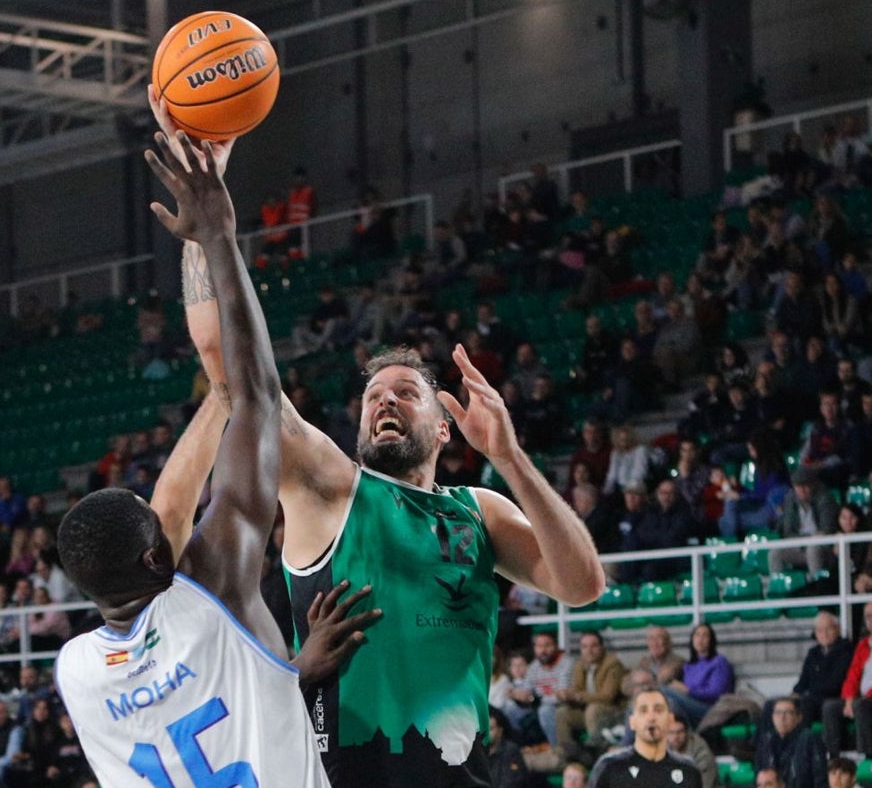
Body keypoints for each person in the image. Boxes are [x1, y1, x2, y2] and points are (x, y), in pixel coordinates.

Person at [163, 111, 605, 785]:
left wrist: (511, 459)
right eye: (373, 396)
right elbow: (226, 359)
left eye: (405, 393)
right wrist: (206, 226)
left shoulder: (477, 510)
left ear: (445, 426)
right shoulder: (329, 484)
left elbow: (582, 586)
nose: (384, 402)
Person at [53, 130, 375, 787]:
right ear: (157, 557)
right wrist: (217, 235)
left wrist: (288, 674)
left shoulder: (76, 671)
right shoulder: (210, 591)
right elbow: (254, 390)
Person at [588, 688, 702, 788]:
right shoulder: (609, 767)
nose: (651, 717)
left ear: (670, 720)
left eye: (658, 710)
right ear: (632, 722)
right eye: (643, 711)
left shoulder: (688, 771)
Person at [555, 631, 627, 759]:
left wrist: (578, 696)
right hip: (587, 711)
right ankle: (567, 752)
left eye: (593, 646)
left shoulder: (613, 664)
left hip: (613, 711)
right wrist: (566, 695)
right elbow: (576, 690)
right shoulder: (580, 665)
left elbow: (608, 696)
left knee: (593, 709)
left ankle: (595, 752)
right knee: (562, 712)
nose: (589, 650)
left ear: (601, 647)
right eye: (585, 647)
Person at [824, 602, 872, 757]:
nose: (871, 620)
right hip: (862, 698)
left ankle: (865, 756)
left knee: (861, 706)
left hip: (867, 699)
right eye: (868, 617)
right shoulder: (864, 645)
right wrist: (849, 699)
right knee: (830, 707)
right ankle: (834, 757)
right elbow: (853, 675)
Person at [663, 624, 734, 727]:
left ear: (711, 640)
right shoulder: (689, 666)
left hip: (710, 710)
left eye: (705, 635)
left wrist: (688, 690)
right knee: (669, 703)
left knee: (663, 691)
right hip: (689, 705)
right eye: (697, 635)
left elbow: (716, 693)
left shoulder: (719, 662)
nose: (700, 639)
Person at [754, 697, 827, 788]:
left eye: (788, 713)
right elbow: (758, 777)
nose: (782, 717)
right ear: (772, 717)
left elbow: (820, 779)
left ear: (799, 718)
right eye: (778, 713)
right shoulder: (766, 741)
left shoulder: (809, 739)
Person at [667, 713, 718, 788]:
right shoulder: (659, 749)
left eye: (680, 732)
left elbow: (706, 782)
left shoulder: (700, 750)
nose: (676, 737)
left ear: (687, 733)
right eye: (671, 733)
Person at [485, 707, 527, 788]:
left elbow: (511, 782)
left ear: (500, 731)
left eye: (490, 729)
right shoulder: (475, 754)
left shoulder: (510, 751)